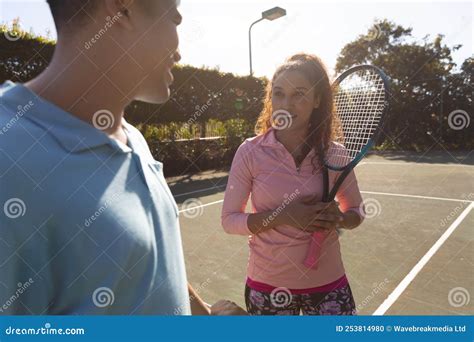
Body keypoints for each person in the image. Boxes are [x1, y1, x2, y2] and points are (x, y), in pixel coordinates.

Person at [0, 0, 245, 315]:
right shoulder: (9, 158)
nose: (180, 52)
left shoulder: (134, 140)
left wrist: (203, 315)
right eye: (175, 17)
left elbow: (147, 269)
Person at [221, 53, 365, 315]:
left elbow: (357, 211)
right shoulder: (250, 152)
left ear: (317, 100)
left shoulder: (335, 154)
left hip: (328, 286)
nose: (286, 104)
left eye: (299, 94)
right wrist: (284, 216)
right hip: (267, 287)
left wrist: (340, 219)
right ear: (270, 98)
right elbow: (230, 220)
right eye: (278, 93)